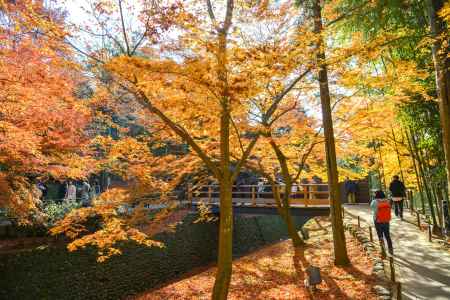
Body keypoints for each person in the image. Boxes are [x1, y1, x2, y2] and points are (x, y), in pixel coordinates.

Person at [370, 190, 394, 256]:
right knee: (387, 235)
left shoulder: (374, 202)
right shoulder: (387, 201)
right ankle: (390, 249)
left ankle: (383, 250)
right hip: (386, 220)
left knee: (380, 235)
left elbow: (372, 208)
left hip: (378, 221)